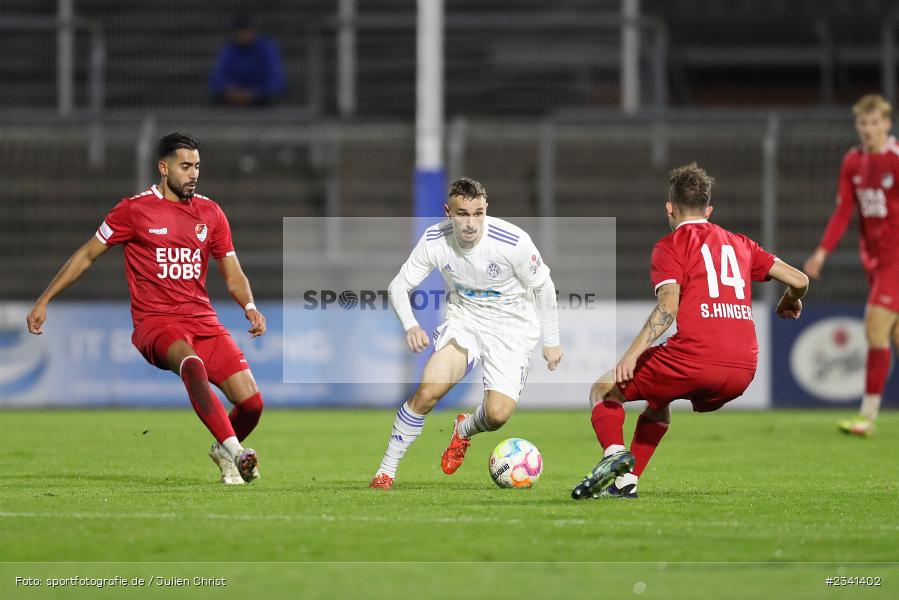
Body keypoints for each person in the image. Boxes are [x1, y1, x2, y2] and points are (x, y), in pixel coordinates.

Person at [26, 133, 266, 485]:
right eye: (185, 166)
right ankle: (237, 452)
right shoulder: (134, 210)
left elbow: (232, 271)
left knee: (252, 404)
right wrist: (44, 299)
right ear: (163, 167)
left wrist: (249, 305)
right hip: (156, 323)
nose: (193, 174)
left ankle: (221, 449)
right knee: (191, 364)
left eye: (197, 166)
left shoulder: (210, 213)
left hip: (203, 321)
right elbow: (87, 255)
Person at [571, 163, 809, 500]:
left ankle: (614, 455)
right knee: (659, 399)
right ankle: (626, 484)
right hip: (744, 369)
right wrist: (789, 300)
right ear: (708, 210)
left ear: (669, 208)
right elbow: (800, 280)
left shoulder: (670, 246)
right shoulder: (741, 244)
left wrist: (630, 354)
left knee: (604, 390)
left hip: (695, 358)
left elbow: (668, 308)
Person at [369, 177, 564, 490]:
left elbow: (543, 286)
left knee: (498, 415)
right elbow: (398, 286)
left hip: (512, 329)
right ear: (448, 212)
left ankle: (463, 431)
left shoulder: (511, 241)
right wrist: (411, 325)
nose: (471, 222)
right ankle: (385, 472)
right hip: (465, 322)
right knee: (428, 391)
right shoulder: (435, 240)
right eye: (462, 213)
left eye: (478, 213)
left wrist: (552, 341)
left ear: (486, 209)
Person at [804, 94, 899, 437]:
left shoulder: (896, 159)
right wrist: (822, 252)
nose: (869, 129)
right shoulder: (853, 162)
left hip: (896, 260)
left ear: (887, 124)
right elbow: (844, 211)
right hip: (874, 260)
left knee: (875, 327)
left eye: (875, 123)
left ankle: (867, 417)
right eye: (863, 123)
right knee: (895, 335)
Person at [209, 13, 286, 106]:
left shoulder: (267, 48)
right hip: (234, 96)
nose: (243, 35)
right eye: (240, 32)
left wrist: (253, 93)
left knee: (271, 98)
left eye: (246, 31)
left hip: (259, 96)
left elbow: (276, 81)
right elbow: (217, 79)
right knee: (215, 99)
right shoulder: (229, 49)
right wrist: (230, 89)